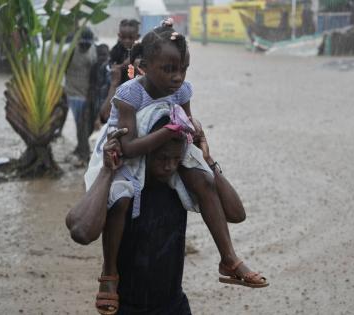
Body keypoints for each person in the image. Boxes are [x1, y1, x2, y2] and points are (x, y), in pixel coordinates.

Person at [85, 19, 268, 314]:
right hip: (126, 151)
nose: (177, 77)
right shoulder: (130, 93)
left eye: (182, 69)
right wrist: (168, 132)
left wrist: (197, 145)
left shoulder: (182, 91)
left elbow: (185, 126)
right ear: (144, 65)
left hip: (168, 144)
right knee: (119, 202)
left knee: (204, 182)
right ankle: (109, 274)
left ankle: (229, 258)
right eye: (168, 69)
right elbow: (129, 147)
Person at [66, 123, 249, 314]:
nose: (169, 166)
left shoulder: (181, 185)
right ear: (145, 152)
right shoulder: (123, 191)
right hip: (125, 306)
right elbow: (82, 232)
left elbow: (236, 214)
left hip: (173, 304)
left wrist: (206, 160)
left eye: (176, 159)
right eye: (162, 158)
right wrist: (106, 171)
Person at [65, 27, 97, 163]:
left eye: (88, 44)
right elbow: (62, 69)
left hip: (86, 94)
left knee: (86, 124)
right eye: (83, 43)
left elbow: (94, 72)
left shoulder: (93, 51)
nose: (85, 46)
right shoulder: (70, 51)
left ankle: (81, 148)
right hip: (72, 94)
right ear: (78, 42)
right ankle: (84, 152)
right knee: (80, 124)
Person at [99, 19, 141, 123]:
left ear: (137, 37)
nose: (127, 40)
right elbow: (111, 67)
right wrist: (123, 65)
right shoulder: (116, 50)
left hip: (136, 88)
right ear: (119, 35)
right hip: (117, 85)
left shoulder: (141, 49)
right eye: (123, 37)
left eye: (130, 38)